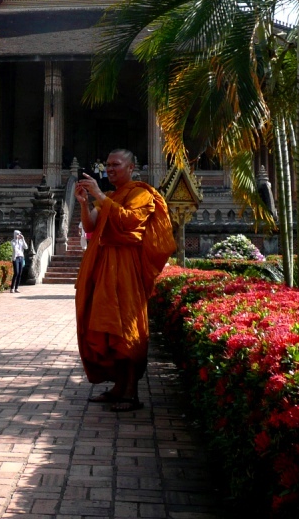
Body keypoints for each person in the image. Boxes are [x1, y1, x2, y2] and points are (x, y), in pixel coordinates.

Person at [74, 148, 175, 412]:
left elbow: (129, 221)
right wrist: (85, 203)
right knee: (107, 328)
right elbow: (90, 226)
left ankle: (130, 393)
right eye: (107, 164)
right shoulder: (109, 196)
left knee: (127, 329)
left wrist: (97, 195)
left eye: (116, 164)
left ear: (131, 168)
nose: (110, 168)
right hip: (105, 265)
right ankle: (118, 387)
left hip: (127, 266)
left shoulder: (141, 193)